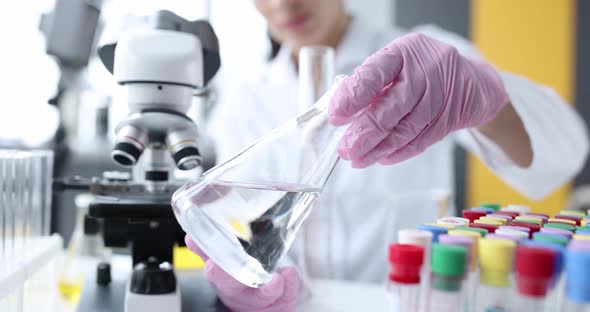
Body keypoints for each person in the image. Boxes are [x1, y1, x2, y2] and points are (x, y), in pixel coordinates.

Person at [186, 0, 589, 311]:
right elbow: (249, 230)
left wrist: (487, 98)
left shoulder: (424, 57)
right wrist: (248, 286)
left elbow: (564, 154)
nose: (284, 2)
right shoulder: (244, 100)